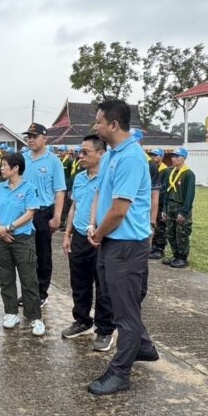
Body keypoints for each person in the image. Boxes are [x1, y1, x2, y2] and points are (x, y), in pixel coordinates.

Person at [86, 99, 159, 395]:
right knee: (117, 302)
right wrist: (94, 226)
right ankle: (143, 347)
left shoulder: (130, 158)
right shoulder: (112, 155)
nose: (95, 126)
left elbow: (119, 210)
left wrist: (99, 234)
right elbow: (101, 194)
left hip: (126, 245)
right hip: (111, 241)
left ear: (114, 125)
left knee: (125, 312)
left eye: (99, 122)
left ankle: (120, 373)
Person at [61, 135, 115, 350]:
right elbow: (74, 207)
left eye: (85, 152)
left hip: (102, 238)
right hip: (80, 237)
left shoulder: (108, 178)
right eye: (80, 152)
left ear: (101, 154)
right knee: (79, 283)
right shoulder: (79, 178)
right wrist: (67, 234)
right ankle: (82, 320)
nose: (80, 156)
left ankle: (105, 329)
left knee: (104, 286)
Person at [0, 152, 44, 335]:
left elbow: (30, 213)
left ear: (15, 168)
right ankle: (11, 313)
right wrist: (0, 229)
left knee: (29, 279)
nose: (1, 168)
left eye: (5, 165)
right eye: (1, 165)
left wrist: (9, 227)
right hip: (1, 239)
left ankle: (35, 317)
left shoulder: (29, 188)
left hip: (22, 239)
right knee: (6, 279)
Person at [22, 123, 66, 302]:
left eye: (35, 136)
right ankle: (28, 291)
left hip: (42, 212)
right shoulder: (22, 158)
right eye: (29, 137)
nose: (31, 140)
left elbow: (60, 191)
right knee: (24, 254)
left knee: (43, 255)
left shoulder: (53, 161)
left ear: (45, 138)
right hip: (23, 213)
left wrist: (57, 217)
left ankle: (41, 293)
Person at [162, 147, 196, 268]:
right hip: (170, 205)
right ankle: (175, 255)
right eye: (173, 156)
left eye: (177, 156)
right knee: (170, 232)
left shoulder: (188, 174)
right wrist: (165, 209)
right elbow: (166, 191)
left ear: (184, 158)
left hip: (181, 206)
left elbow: (189, 195)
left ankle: (182, 258)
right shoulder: (171, 172)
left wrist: (184, 212)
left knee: (181, 233)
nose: (174, 159)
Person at [147, 149, 169, 259]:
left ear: (161, 157)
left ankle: (159, 249)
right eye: (152, 155)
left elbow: (164, 188)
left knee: (160, 226)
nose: (153, 157)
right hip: (151, 201)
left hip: (160, 202)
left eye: (156, 155)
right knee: (152, 225)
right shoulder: (151, 167)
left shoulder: (165, 171)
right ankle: (153, 246)